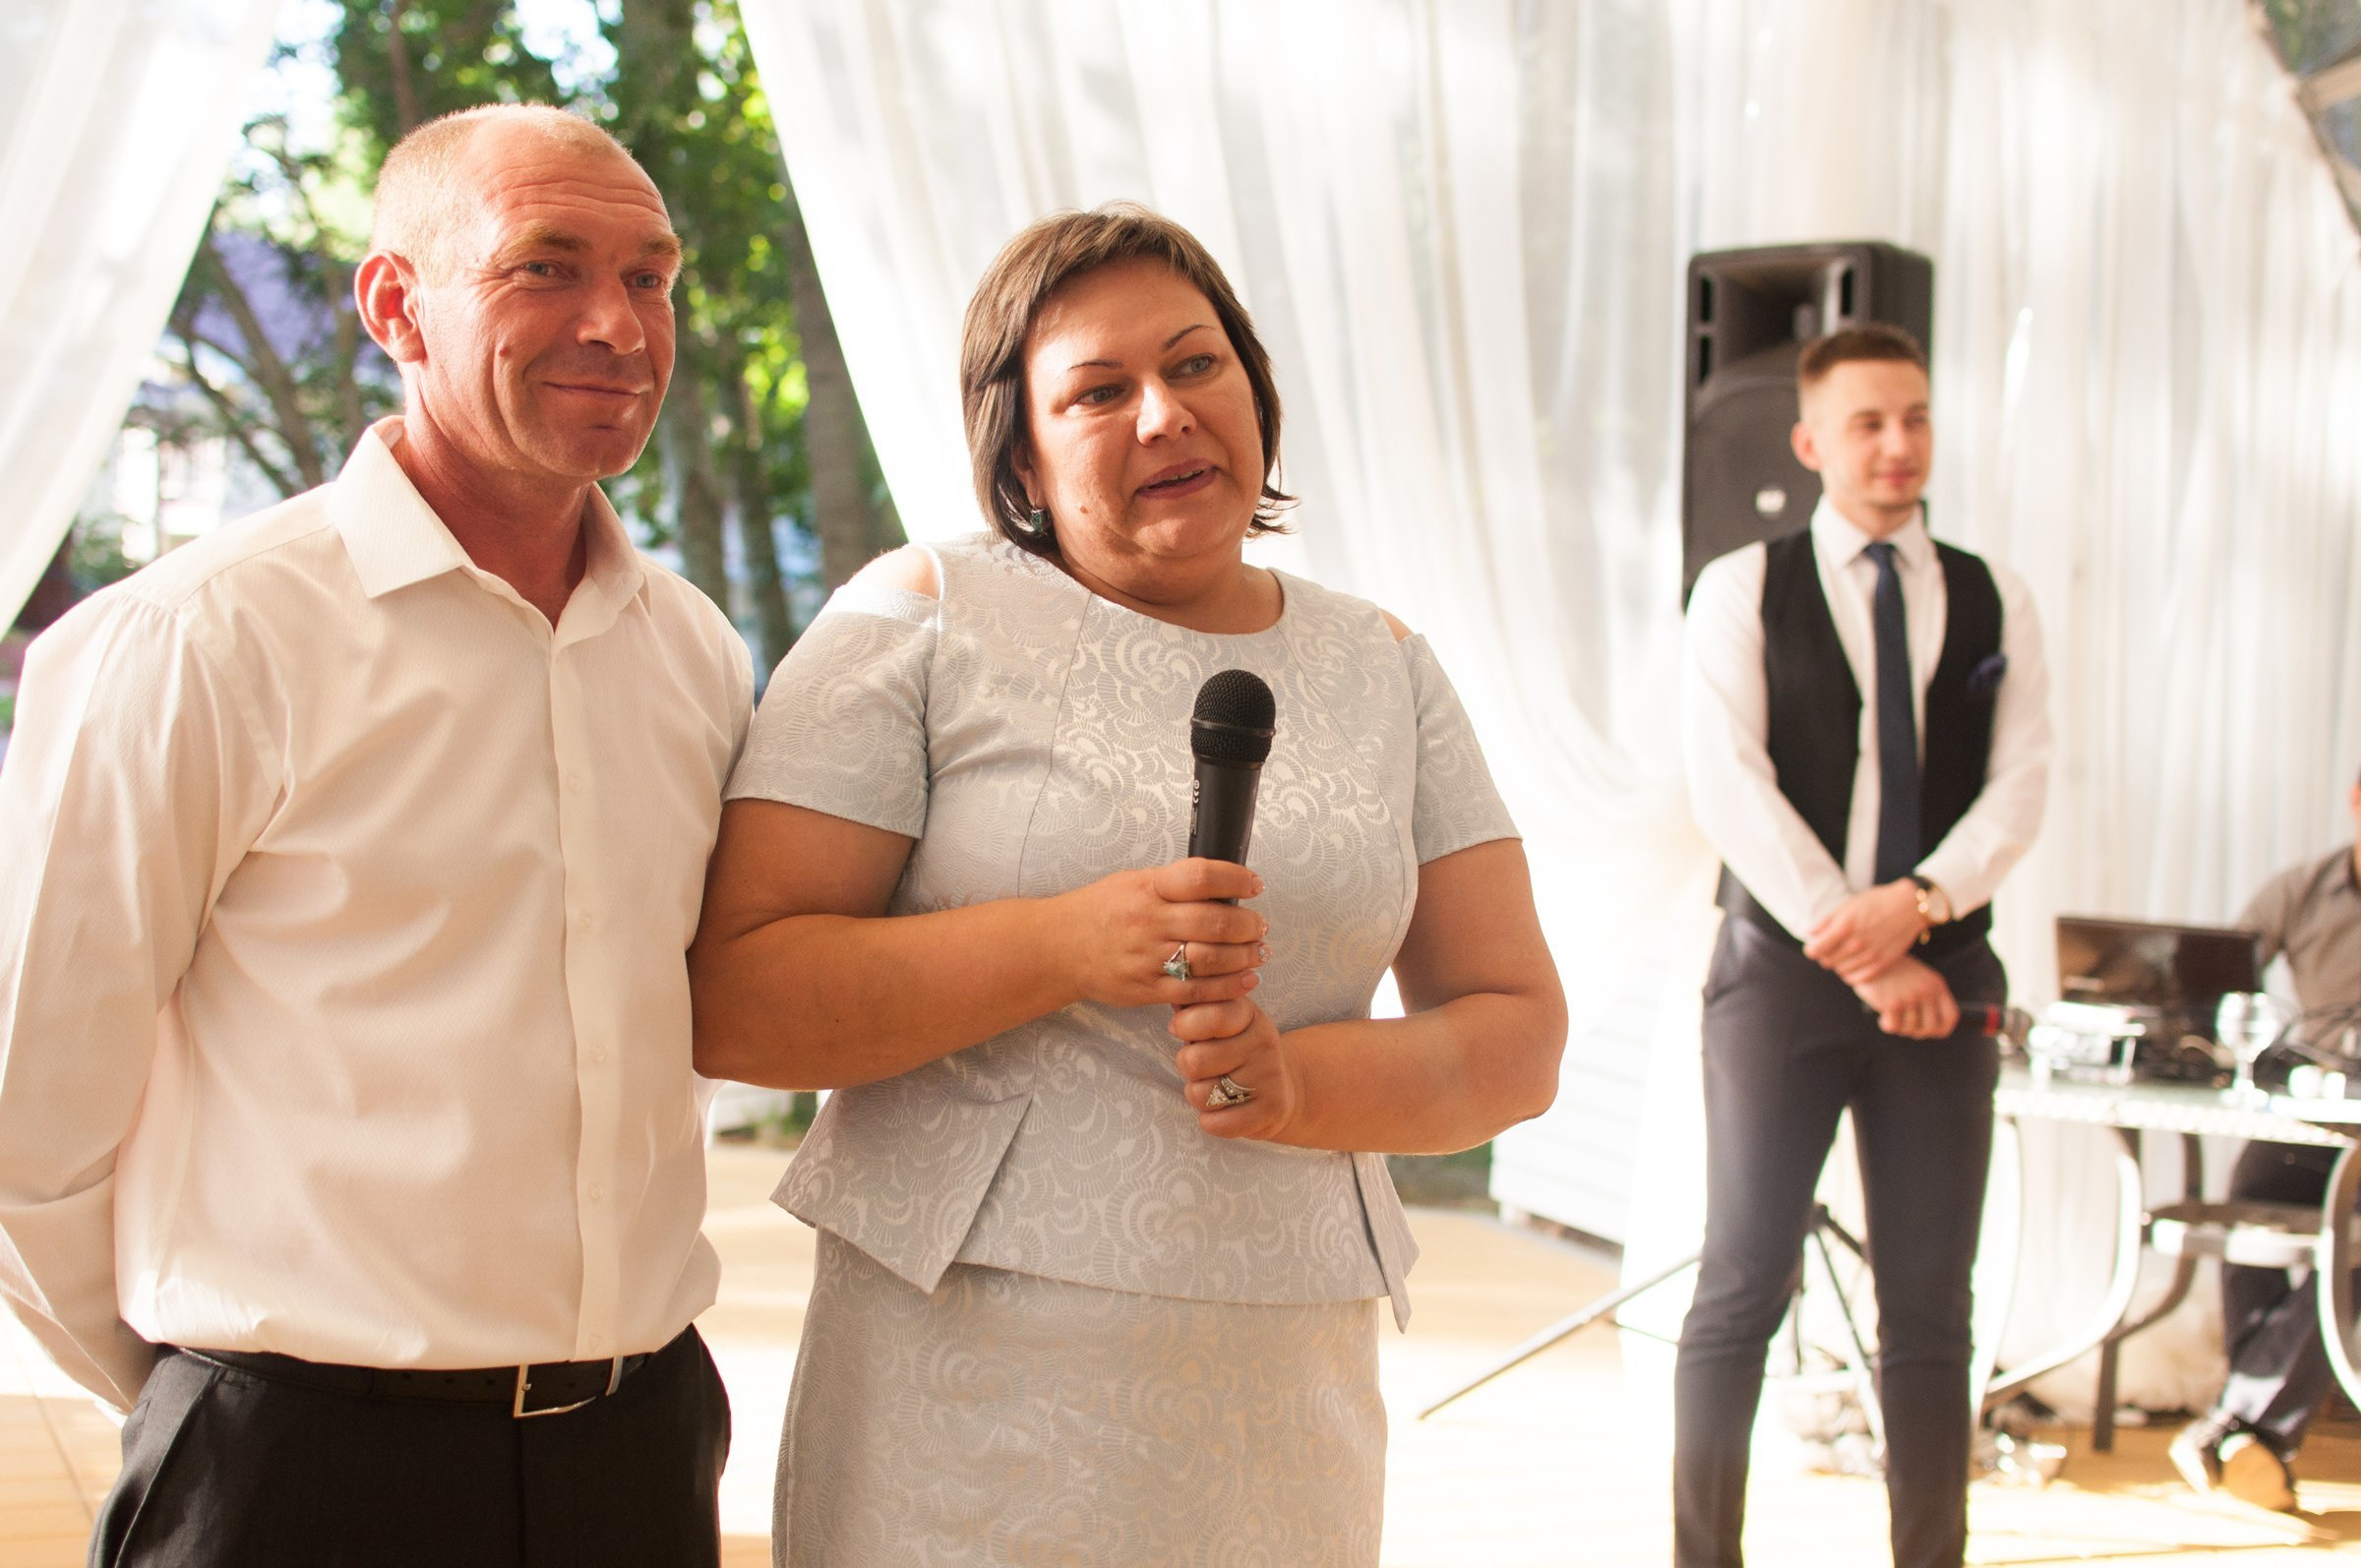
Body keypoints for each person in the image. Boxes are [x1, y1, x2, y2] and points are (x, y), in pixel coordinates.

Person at [689, 202, 1568, 1565]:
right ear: (1021, 453)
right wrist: (1060, 942)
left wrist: (1301, 1086)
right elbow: (739, 997)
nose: (1164, 414)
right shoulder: (916, 615)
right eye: (1098, 390)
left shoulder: (1385, 661)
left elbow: (1515, 1032)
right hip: (967, 1390)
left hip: (1281, 1390)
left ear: (1256, 390)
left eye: (1196, 364)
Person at [0, 104, 749, 1566]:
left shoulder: (696, 655)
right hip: (293, 1471)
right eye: (548, 266)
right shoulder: (193, 642)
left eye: (651, 276)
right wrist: (211, 1404)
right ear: (395, 304)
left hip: (640, 1457)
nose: (617, 321)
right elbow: (27, 1118)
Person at [1677, 323, 2052, 1568]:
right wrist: (1865, 944)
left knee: (1932, 1314)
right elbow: (1731, 789)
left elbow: (2022, 786)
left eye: (1918, 419)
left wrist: (1923, 907)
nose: (1900, 446)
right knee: (1742, 1287)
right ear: (1811, 442)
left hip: (1947, 965)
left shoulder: (1996, 595)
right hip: (1783, 977)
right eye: (1869, 423)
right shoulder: (1740, 586)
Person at [2169, 773, 2361, 1511]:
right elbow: (2224, 975)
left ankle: (2237, 1425)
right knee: (2246, 1199)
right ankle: (2248, 1435)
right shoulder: (2306, 889)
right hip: (2312, 1110)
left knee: (2354, 1245)